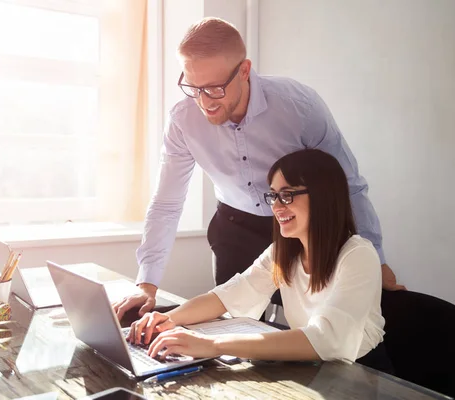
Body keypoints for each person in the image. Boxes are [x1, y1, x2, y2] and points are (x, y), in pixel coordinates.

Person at [113, 17, 404, 320]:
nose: (204, 102)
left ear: (244, 71)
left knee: (311, 322)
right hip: (234, 226)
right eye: (193, 86)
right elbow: (166, 204)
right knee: (230, 325)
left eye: (214, 88)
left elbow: (349, 185)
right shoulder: (182, 121)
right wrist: (147, 284)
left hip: (300, 227)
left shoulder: (299, 107)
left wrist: (376, 258)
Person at [127, 149, 392, 372]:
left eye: (287, 195)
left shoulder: (358, 254)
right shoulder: (283, 251)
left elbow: (327, 339)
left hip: (362, 373)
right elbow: (229, 295)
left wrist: (212, 346)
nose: (276, 207)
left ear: (323, 197)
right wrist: (169, 319)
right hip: (311, 366)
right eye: (273, 195)